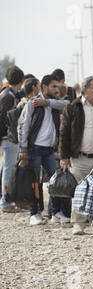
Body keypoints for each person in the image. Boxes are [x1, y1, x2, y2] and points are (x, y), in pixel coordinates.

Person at [59, 76, 93, 235]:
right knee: (79, 191)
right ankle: (78, 223)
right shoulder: (73, 107)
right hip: (79, 158)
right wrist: (64, 156)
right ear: (85, 90)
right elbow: (64, 133)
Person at [17, 74, 69, 226]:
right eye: (53, 86)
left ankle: (55, 213)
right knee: (34, 182)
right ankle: (34, 214)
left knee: (55, 182)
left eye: (57, 86)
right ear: (44, 87)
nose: (57, 89)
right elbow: (24, 127)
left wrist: (46, 102)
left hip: (49, 150)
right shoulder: (32, 104)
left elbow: (67, 104)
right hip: (34, 149)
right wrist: (23, 148)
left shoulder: (52, 103)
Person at [0, 65, 24, 213]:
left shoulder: (6, 94)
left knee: (7, 169)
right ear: (21, 81)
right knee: (9, 170)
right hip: (9, 139)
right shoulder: (8, 96)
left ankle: (6, 200)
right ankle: (5, 202)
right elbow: (5, 118)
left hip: (8, 138)